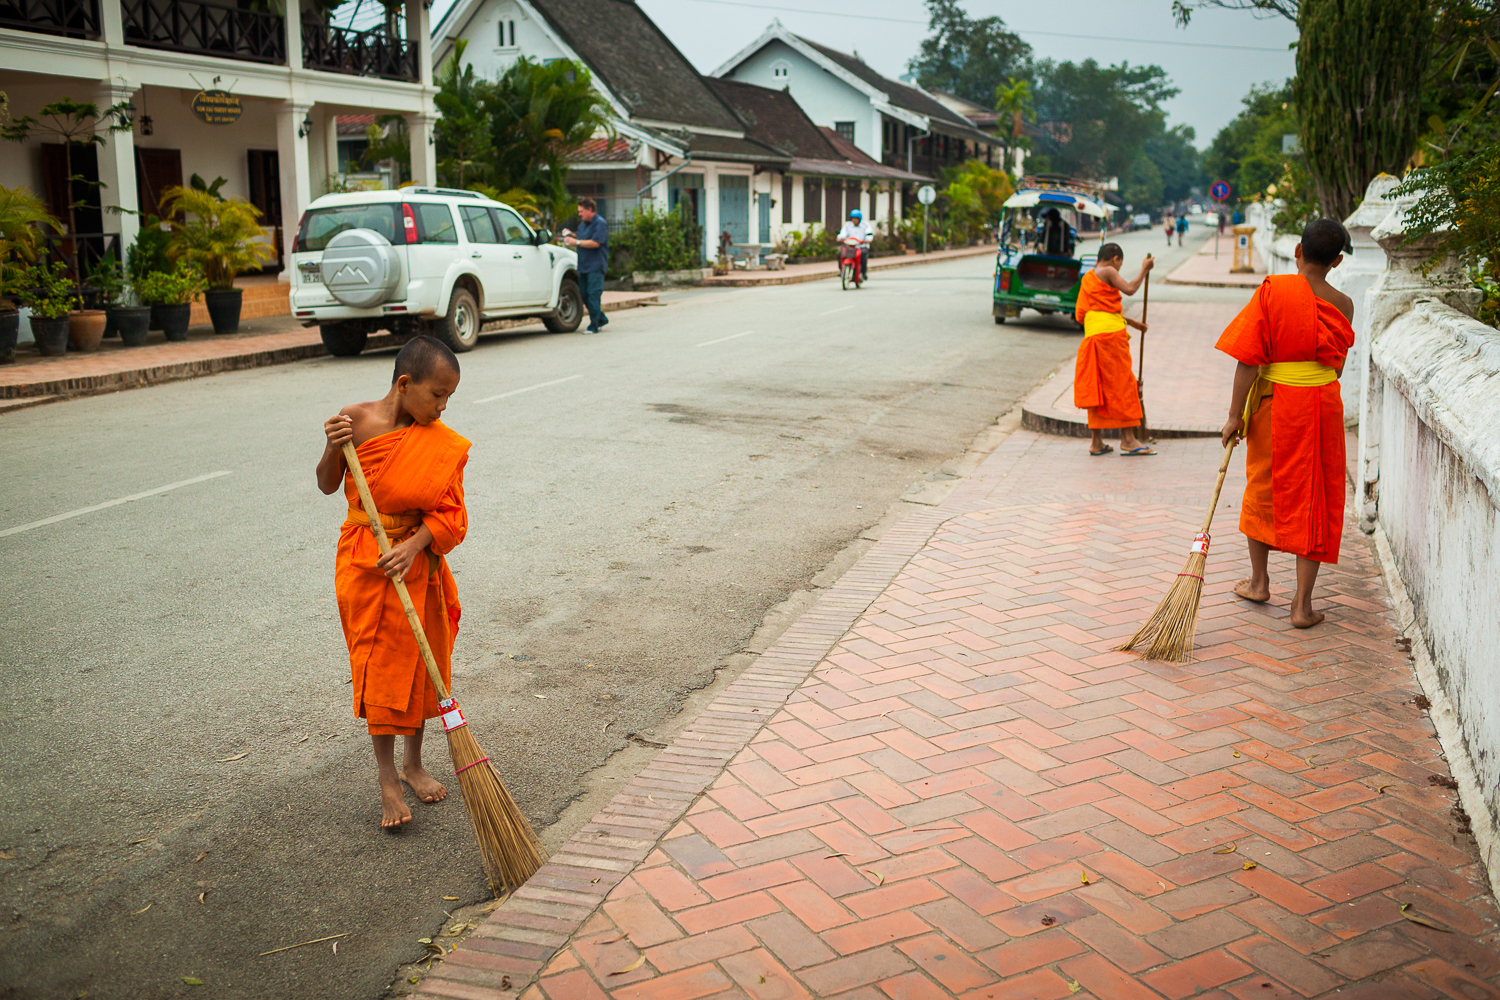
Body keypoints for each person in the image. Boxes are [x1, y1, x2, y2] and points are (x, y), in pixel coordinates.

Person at [317, 336, 470, 828]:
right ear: (405, 384)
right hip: (365, 558)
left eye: (449, 398)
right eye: (437, 395)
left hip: (413, 559)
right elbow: (325, 483)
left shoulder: (438, 443)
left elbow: (450, 513)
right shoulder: (356, 420)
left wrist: (416, 544)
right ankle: (387, 779)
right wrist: (332, 445)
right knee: (381, 666)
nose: (442, 407)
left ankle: (414, 763)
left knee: (422, 662)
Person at [1217, 219, 1354, 629]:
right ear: (1338, 260)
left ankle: (1259, 583)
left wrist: (1233, 416)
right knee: (1316, 493)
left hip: (1273, 404)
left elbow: (1249, 359)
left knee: (1263, 486)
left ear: (1297, 250)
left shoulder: (1273, 292)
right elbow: (1338, 367)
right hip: (1321, 405)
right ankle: (1302, 606)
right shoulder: (1344, 304)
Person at [1074, 243, 1154, 456]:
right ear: (1115, 259)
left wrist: (1132, 323)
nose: (1118, 269)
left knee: (1097, 386)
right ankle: (1128, 439)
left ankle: (1096, 442)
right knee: (1123, 384)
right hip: (1110, 339)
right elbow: (1129, 289)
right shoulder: (1108, 271)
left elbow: (1096, 312)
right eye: (1120, 264)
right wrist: (1144, 269)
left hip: (1092, 338)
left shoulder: (1088, 277)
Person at [563, 197, 608, 333]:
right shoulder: (583, 225)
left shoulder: (600, 224)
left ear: (590, 210)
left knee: (593, 295)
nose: (580, 214)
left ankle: (594, 325)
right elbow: (582, 238)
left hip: (595, 266)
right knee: (584, 295)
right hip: (583, 266)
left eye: (581, 211)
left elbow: (595, 243)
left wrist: (575, 242)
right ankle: (601, 318)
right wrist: (571, 236)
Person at [836, 208, 872, 279]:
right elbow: (843, 233)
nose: (854, 220)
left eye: (856, 219)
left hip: (861, 247)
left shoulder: (865, 225)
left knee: (863, 255)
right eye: (853, 218)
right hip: (850, 247)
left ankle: (864, 273)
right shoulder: (848, 225)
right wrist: (840, 237)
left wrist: (868, 239)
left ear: (859, 219)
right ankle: (842, 270)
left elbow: (869, 234)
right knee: (840, 253)